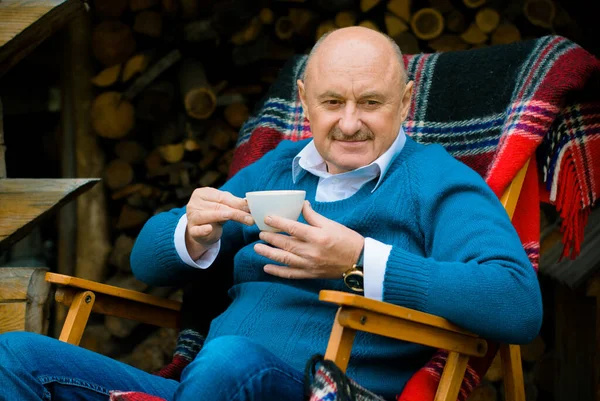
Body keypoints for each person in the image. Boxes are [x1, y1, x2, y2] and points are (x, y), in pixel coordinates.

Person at [0, 26, 543, 401]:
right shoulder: (276, 170)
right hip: (208, 386)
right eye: (332, 103)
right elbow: (146, 262)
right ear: (304, 100)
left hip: (317, 389)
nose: (350, 123)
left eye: (371, 103)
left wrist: (357, 262)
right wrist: (192, 231)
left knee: (231, 360)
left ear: (405, 102)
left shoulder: (436, 181)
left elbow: (516, 303)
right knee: (13, 355)